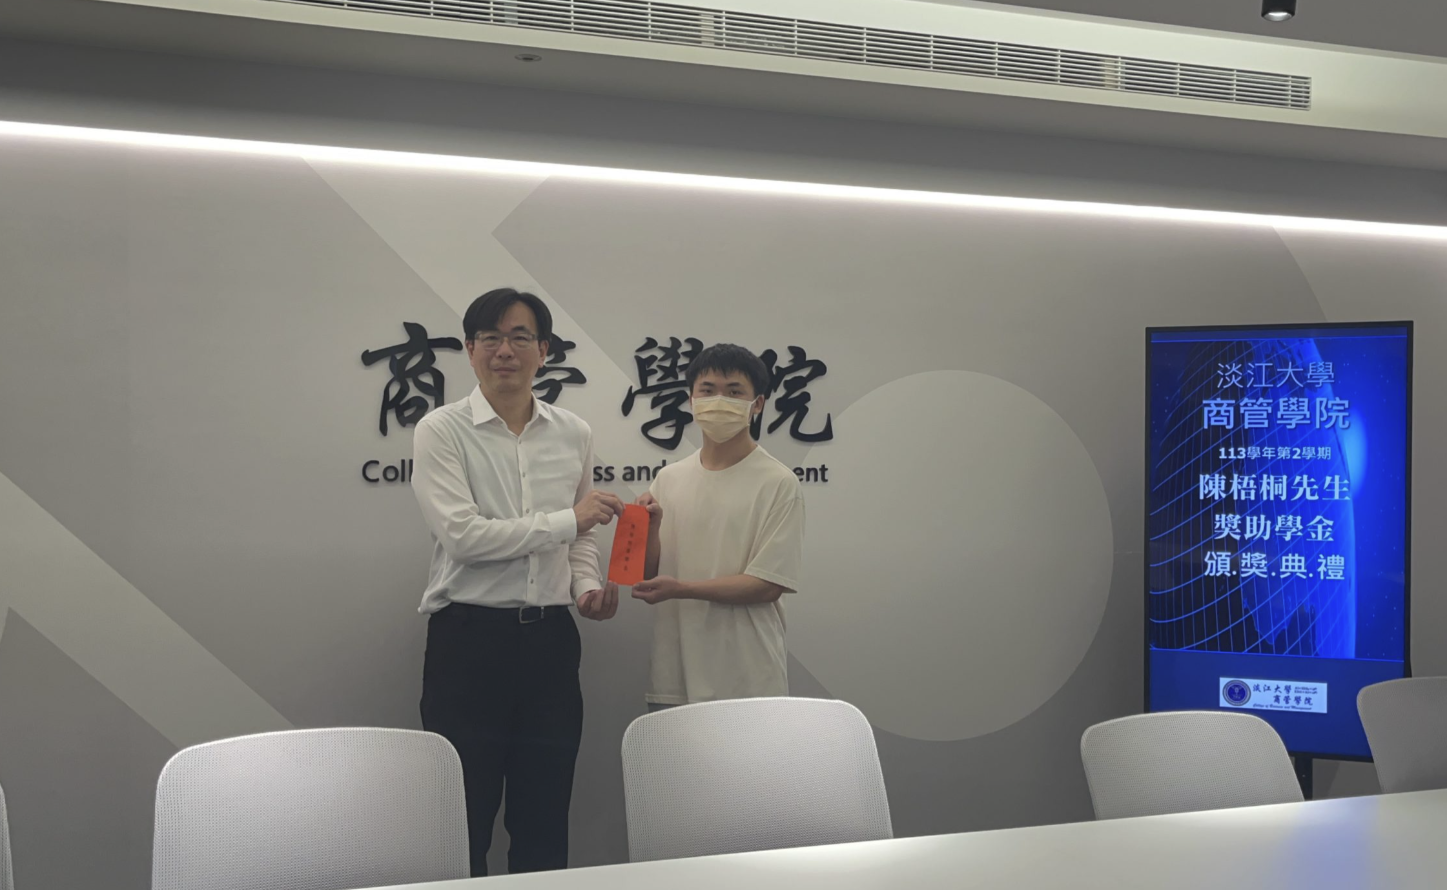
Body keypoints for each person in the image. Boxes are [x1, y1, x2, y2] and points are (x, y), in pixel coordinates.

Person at [411, 288, 624, 876]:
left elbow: (580, 539)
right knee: (463, 816)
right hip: (468, 642)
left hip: (551, 643)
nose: (504, 350)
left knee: (544, 815)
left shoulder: (573, 432)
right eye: (490, 337)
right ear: (469, 349)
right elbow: (464, 537)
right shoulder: (441, 430)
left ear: (544, 350)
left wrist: (585, 587)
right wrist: (569, 520)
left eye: (520, 337)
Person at [632, 344, 805, 711]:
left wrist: (682, 589)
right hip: (673, 677)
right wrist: (650, 528)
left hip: (747, 678)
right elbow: (646, 576)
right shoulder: (668, 479)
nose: (719, 401)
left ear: (757, 404)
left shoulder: (777, 482)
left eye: (734, 391)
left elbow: (767, 584)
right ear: (691, 399)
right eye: (708, 390)